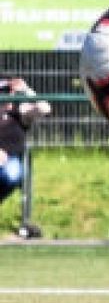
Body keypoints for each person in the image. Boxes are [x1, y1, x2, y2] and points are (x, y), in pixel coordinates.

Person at [0, 76, 51, 238]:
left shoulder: (19, 111)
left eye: (7, 92)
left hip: (10, 161)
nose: (4, 97)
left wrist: (26, 90)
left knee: (13, 173)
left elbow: (44, 109)